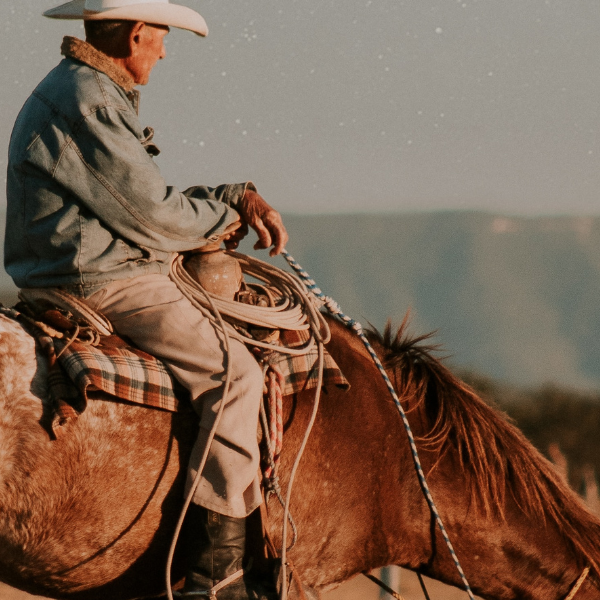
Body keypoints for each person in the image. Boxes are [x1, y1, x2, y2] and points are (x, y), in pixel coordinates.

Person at [5, 1, 288, 598]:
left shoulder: (78, 91)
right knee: (236, 374)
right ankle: (218, 576)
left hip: (73, 266)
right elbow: (151, 215)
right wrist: (223, 217)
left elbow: (132, 194)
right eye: (160, 38)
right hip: (101, 278)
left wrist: (231, 198)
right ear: (136, 35)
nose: (164, 51)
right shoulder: (91, 99)